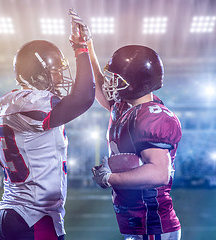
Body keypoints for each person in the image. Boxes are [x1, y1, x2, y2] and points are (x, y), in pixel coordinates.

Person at [69, 10, 182, 240]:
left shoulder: (154, 117)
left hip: (153, 226)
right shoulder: (123, 106)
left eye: (117, 79)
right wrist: (86, 46)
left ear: (136, 83)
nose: (110, 82)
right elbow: (99, 86)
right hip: (137, 224)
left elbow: (159, 173)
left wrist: (110, 178)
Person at [0, 11, 95, 240]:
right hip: (33, 217)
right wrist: (81, 48)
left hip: (16, 212)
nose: (59, 78)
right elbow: (84, 98)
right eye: (55, 71)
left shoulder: (5, 103)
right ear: (37, 72)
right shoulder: (31, 103)